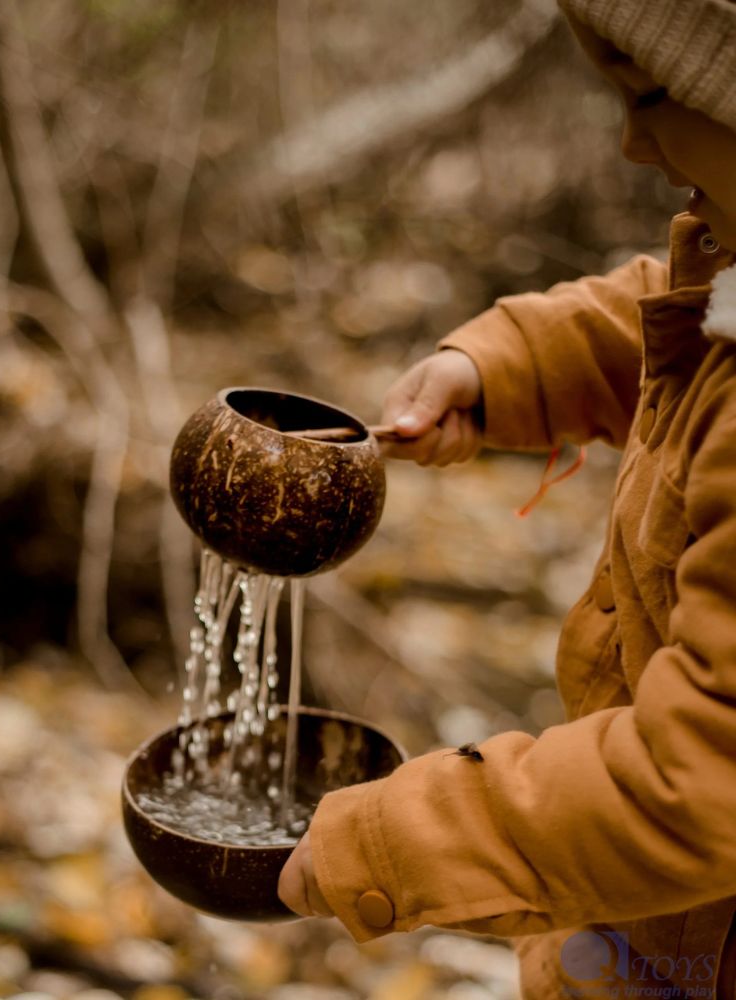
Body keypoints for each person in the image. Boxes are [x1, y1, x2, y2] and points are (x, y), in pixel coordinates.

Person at [277, 1, 736, 997]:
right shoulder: (730, 258)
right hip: (650, 936)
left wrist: (392, 842)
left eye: (651, 93)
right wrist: (504, 366)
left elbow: (697, 786)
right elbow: (682, 324)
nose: (631, 141)